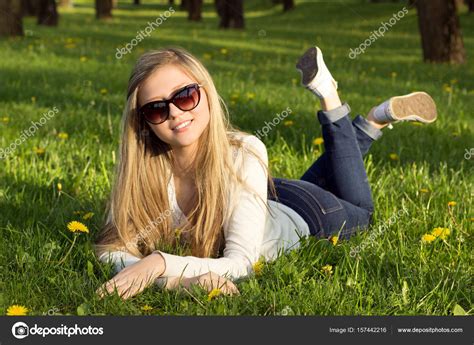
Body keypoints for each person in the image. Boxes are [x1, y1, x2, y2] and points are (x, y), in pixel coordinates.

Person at [95, 46, 437, 300]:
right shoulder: (142, 171)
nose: (174, 113)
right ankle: (367, 125)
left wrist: (157, 263)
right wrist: (175, 281)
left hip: (310, 214)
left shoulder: (245, 151)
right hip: (264, 195)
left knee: (363, 213)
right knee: (332, 175)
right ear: (142, 121)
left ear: (207, 95)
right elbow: (111, 249)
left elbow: (241, 263)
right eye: (156, 108)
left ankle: (342, 102)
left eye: (185, 96)